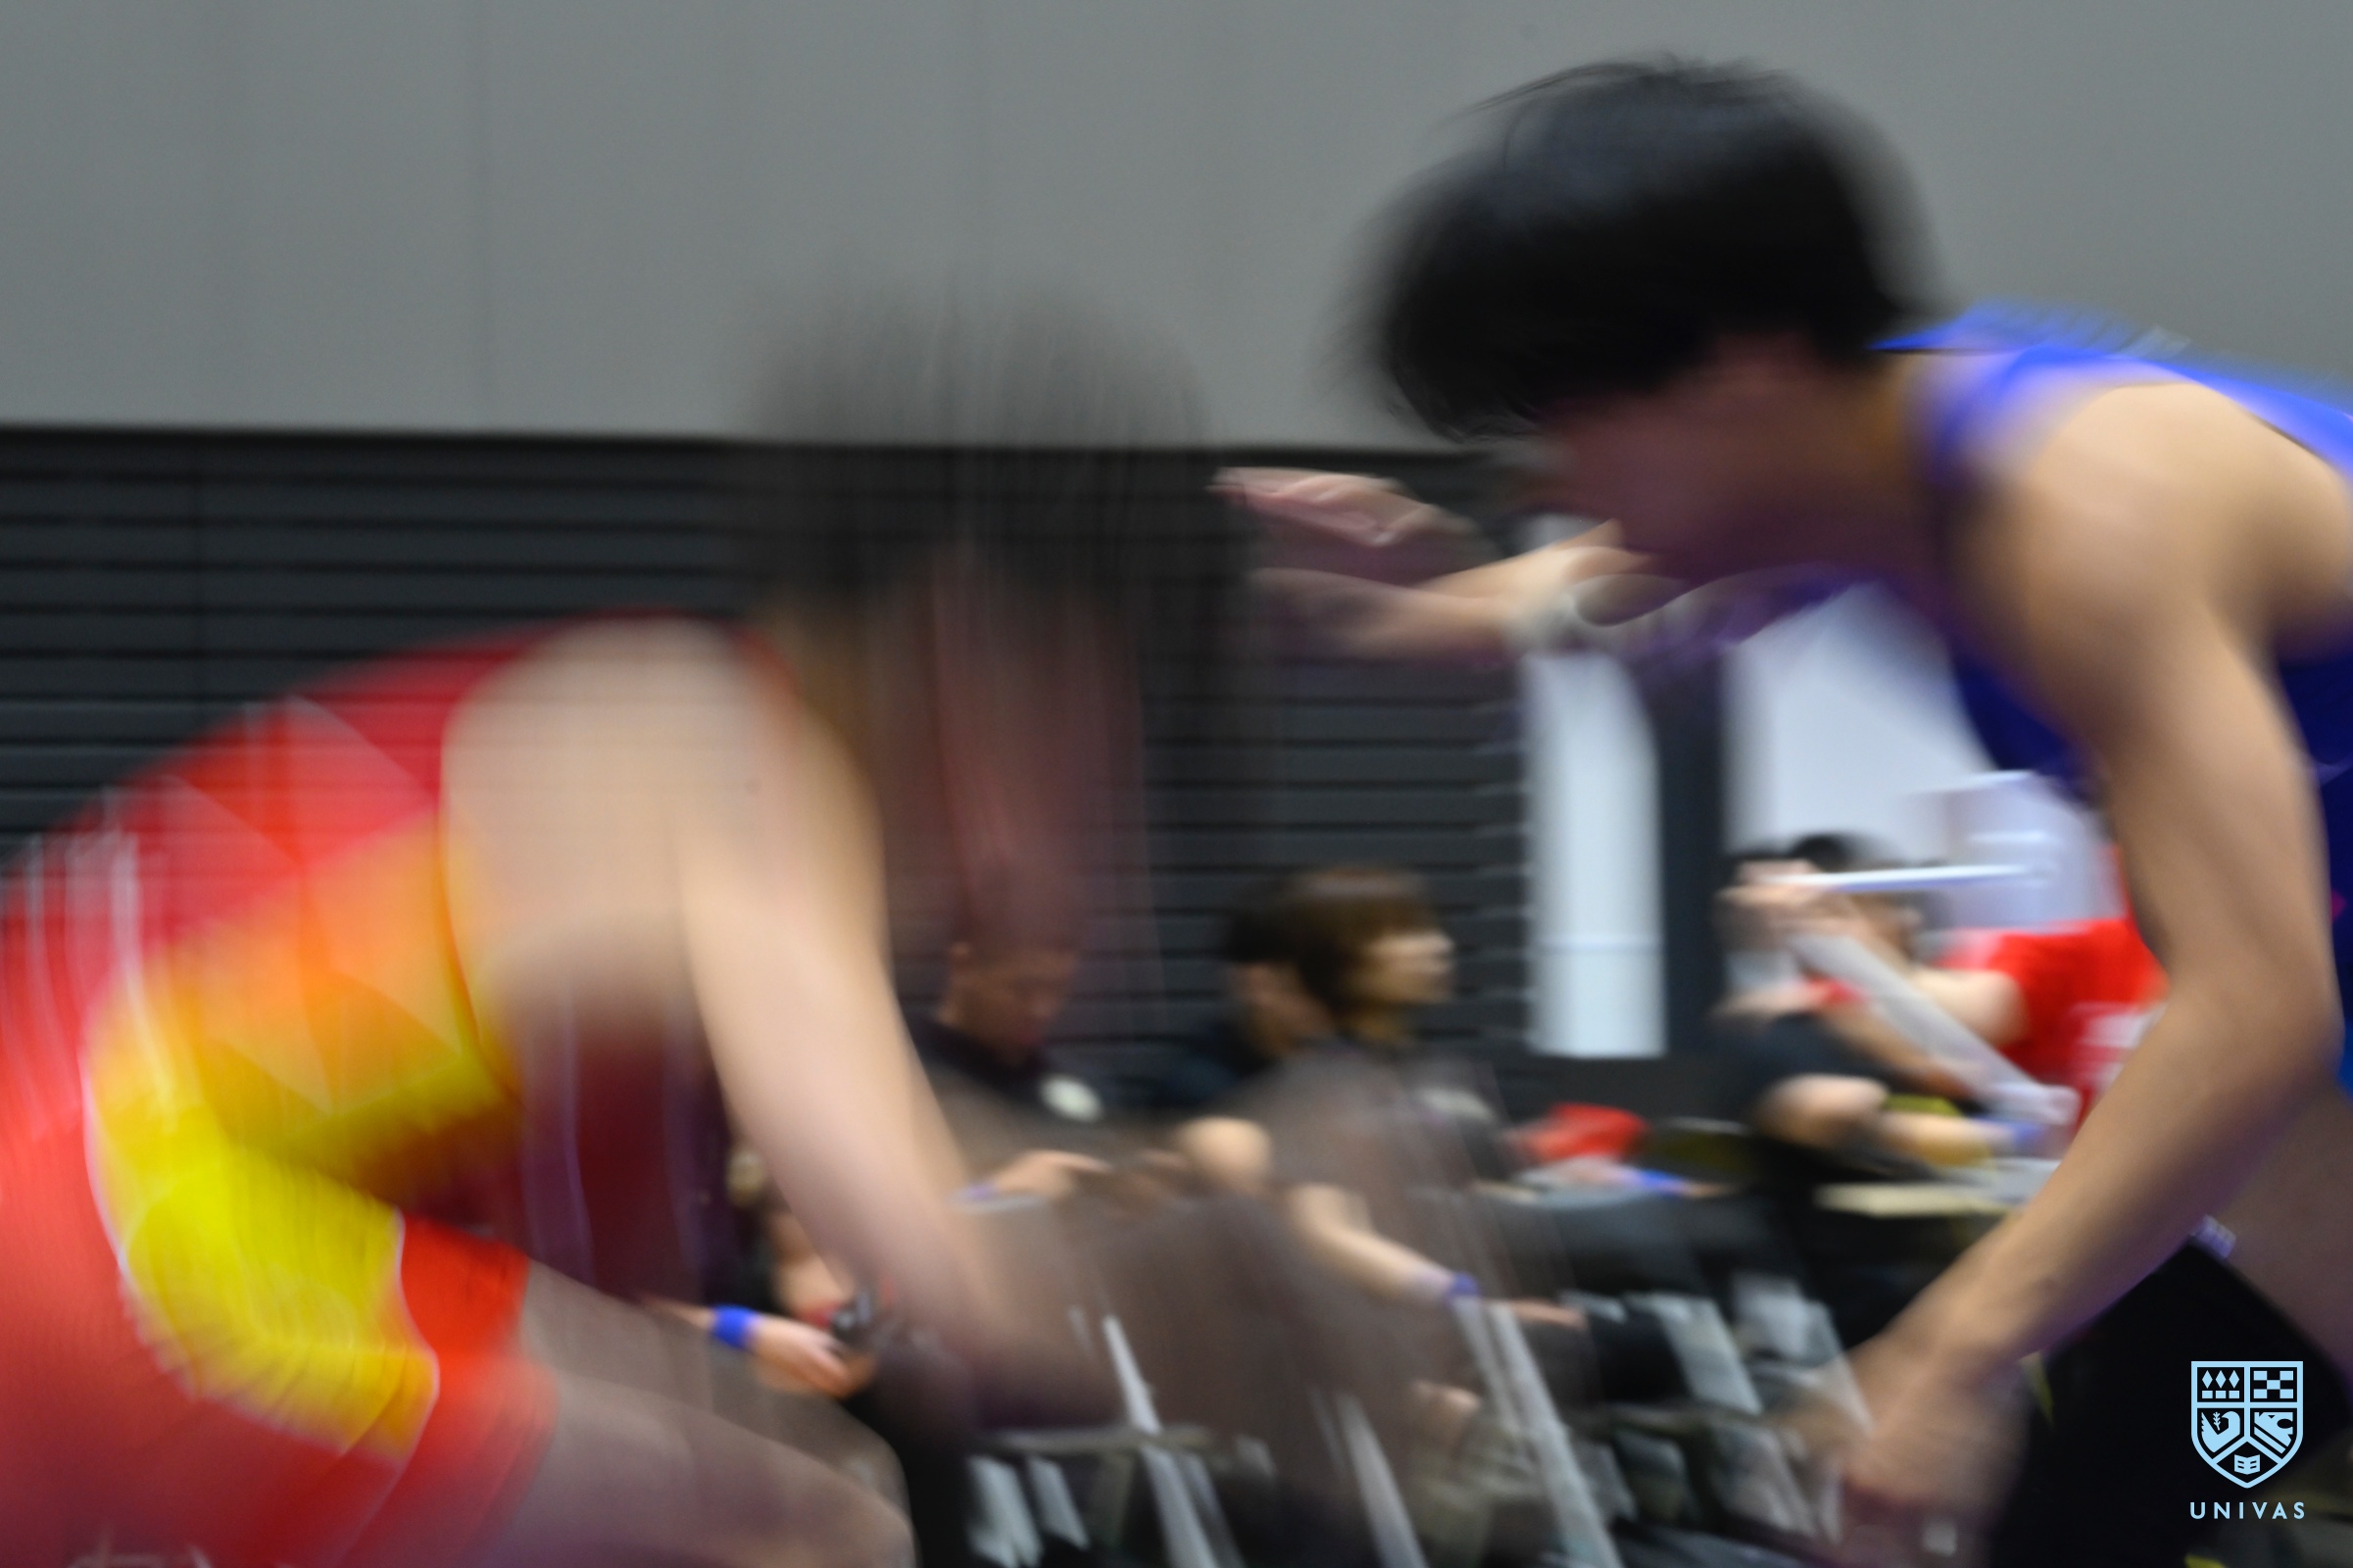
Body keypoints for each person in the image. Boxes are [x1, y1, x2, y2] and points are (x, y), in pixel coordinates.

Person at [1228, 60, 2353, 1566]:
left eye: (1565, 421)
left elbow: (2252, 1014)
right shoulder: (1855, 467)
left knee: (2105, 1437)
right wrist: (1417, 616)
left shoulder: (2087, 514)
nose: (1551, 477)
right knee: (2102, 1496)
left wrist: (1947, 1353)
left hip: (2296, 1043)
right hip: (2315, 1088)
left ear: (1738, 370)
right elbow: (1602, 585)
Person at [0, 294, 1240, 1565]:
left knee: (732, 1468)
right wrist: (1252, 1284)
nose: (1077, 822)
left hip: (98, 1219)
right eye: (1091, 738)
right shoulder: (738, 768)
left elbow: (587, 1301)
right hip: (129, 1223)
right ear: (967, 636)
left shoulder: (631, 754)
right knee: (819, 1526)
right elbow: (926, 1256)